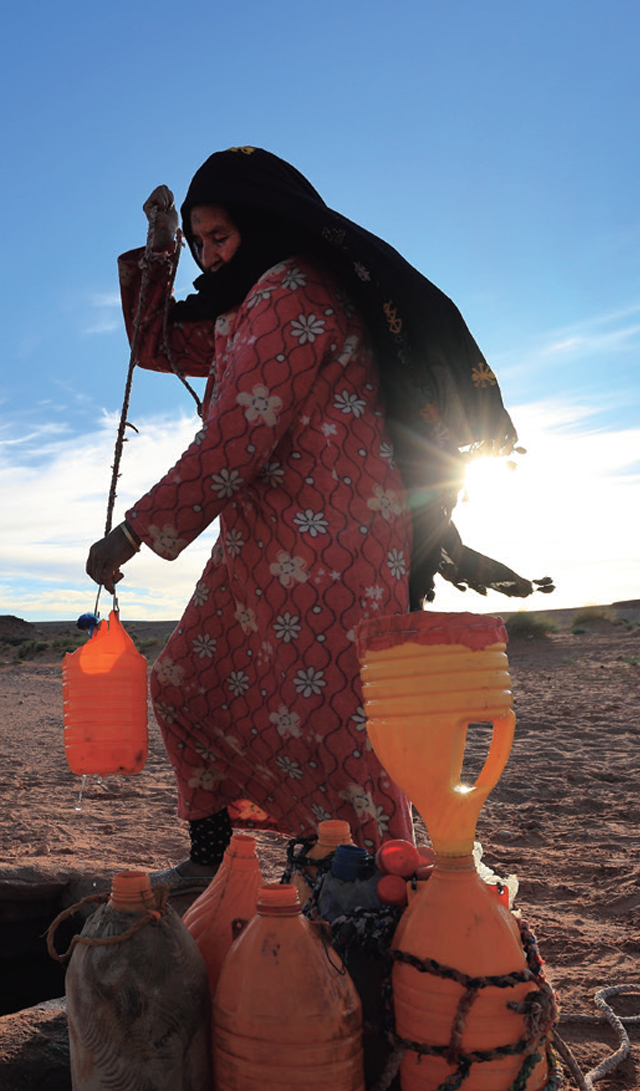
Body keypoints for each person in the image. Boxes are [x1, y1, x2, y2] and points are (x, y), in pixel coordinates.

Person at [86, 146, 549, 890]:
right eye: (201, 241)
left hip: (335, 541)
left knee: (335, 727)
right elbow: (157, 344)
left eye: (219, 238)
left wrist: (135, 530)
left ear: (264, 223)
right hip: (262, 541)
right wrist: (162, 250)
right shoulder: (243, 304)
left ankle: (366, 886)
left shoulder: (295, 293)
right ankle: (213, 863)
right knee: (187, 682)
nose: (210, 255)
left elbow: (239, 432)